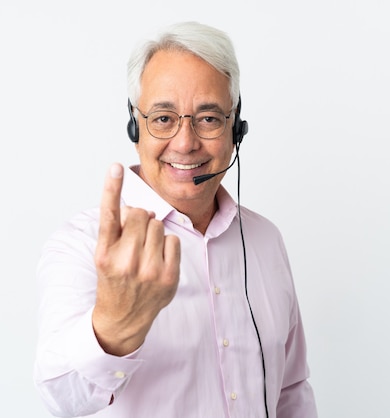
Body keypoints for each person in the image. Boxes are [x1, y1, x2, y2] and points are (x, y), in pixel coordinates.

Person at [34, 21, 317, 417]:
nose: (185, 143)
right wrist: (114, 326)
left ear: (235, 128)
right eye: (164, 118)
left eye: (208, 118)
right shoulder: (81, 245)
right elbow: (59, 398)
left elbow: (291, 389)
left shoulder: (265, 240)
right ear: (136, 126)